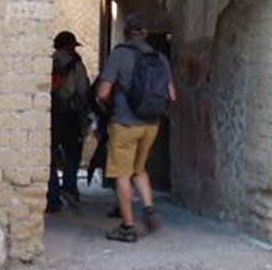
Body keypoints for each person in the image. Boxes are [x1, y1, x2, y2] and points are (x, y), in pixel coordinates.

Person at [96, 14, 176, 242]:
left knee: (122, 174)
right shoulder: (159, 57)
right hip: (151, 124)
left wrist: (106, 105)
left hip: (124, 123)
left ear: (125, 32)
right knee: (139, 169)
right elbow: (172, 95)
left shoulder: (119, 54)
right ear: (146, 34)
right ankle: (149, 209)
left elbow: (103, 93)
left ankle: (127, 227)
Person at [46, 30, 89, 213]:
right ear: (69, 45)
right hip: (70, 114)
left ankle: (53, 198)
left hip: (51, 113)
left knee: (50, 157)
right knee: (73, 155)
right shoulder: (77, 64)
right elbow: (83, 90)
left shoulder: (48, 60)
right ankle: (69, 188)